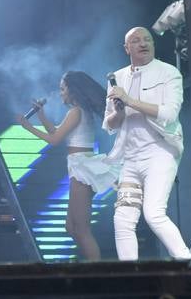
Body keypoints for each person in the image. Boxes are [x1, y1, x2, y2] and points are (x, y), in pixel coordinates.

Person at [103, 27, 191, 260]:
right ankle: (130, 276)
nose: (143, 44)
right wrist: (120, 111)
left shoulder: (168, 72)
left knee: (153, 213)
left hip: (159, 152)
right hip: (129, 158)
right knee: (122, 219)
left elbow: (170, 114)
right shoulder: (117, 78)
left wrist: (130, 100)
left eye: (147, 40)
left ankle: (187, 262)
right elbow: (109, 124)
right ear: (126, 48)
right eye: (136, 41)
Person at [16, 71, 118, 260]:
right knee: (71, 227)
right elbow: (57, 132)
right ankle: (89, 264)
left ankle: (97, 274)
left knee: (81, 229)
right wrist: (41, 116)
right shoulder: (78, 112)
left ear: (72, 90)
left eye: (63, 89)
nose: (60, 93)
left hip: (82, 168)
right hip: (78, 166)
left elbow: (54, 140)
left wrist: (28, 127)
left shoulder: (76, 112)